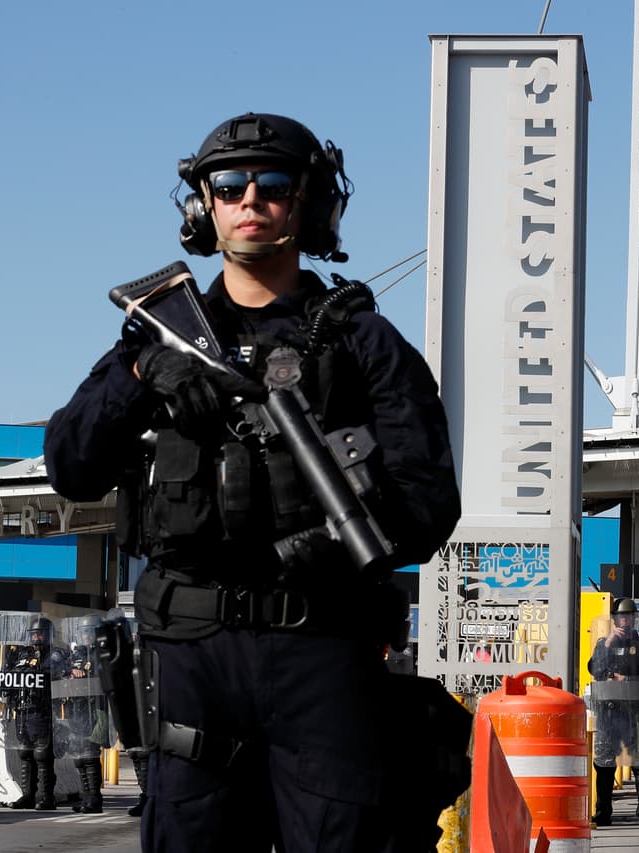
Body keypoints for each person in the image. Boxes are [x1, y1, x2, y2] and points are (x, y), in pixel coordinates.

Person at [44, 112, 463, 852]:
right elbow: (71, 464)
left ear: (308, 203)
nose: (249, 200)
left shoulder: (362, 342)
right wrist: (141, 375)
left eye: (272, 185)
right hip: (193, 651)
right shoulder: (157, 334)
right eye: (228, 185)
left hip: (323, 642)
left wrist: (319, 548)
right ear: (201, 204)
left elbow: (428, 502)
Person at [588, 597, 639, 827]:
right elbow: (596, 670)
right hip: (609, 712)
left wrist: (624, 679)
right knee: (605, 762)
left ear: (634, 619)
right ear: (614, 619)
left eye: (628, 617)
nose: (624, 621)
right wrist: (608, 643)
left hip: (635, 711)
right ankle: (603, 811)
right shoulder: (604, 644)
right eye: (620, 617)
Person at [6, 617, 67, 810]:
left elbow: (53, 673)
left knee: (43, 755)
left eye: (40, 634)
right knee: (25, 753)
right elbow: (11, 674)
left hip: (43, 710)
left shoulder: (55, 655)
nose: (36, 638)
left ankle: (46, 796)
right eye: (33, 634)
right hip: (23, 709)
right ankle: (27, 795)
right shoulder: (23, 654)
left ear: (48, 635)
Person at [59, 614, 111, 814]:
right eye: (83, 632)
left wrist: (88, 673)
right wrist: (69, 670)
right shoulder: (75, 655)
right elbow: (59, 670)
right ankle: (86, 796)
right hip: (76, 710)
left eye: (90, 632)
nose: (86, 636)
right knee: (79, 757)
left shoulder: (103, 654)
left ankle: (95, 798)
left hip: (95, 711)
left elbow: (106, 674)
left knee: (90, 756)